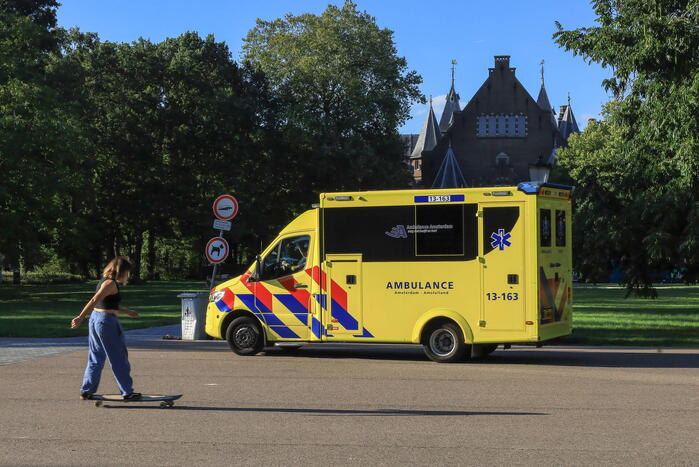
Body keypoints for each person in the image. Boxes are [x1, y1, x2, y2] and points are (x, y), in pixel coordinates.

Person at [71, 256, 141, 400]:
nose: (127, 275)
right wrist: (80, 317)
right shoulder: (110, 284)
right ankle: (127, 392)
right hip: (106, 322)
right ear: (121, 270)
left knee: (96, 356)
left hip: (97, 319)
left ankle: (87, 390)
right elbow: (94, 300)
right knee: (118, 357)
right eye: (127, 272)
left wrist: (128, 312)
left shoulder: (104, 281)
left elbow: (107, 306)